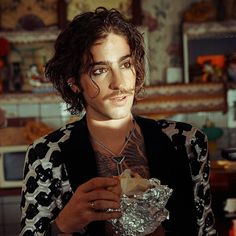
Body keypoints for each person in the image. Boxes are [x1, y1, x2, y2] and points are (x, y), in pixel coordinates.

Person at [20, 7, 217, 236]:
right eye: (100, 70)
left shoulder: (186, 143)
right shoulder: (45, 156)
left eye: (125, 65)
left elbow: (205, 230)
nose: (119, 82)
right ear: (74, 83)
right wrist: (62, 226)